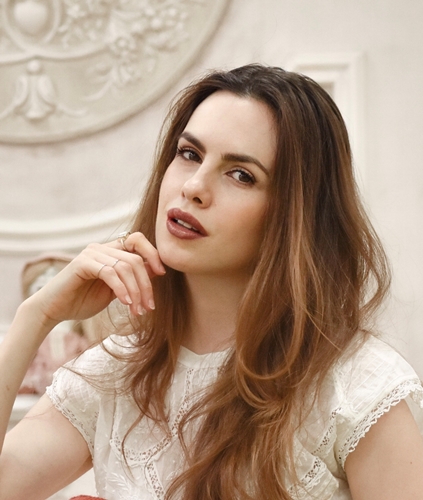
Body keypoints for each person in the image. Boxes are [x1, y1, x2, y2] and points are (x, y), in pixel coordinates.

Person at [0, 64, 422, 500]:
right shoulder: (118, 373)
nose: (194, 187)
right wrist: (37, 315)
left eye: (241, 175)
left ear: (293, 215)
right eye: (189, 154)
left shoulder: (356, 387)